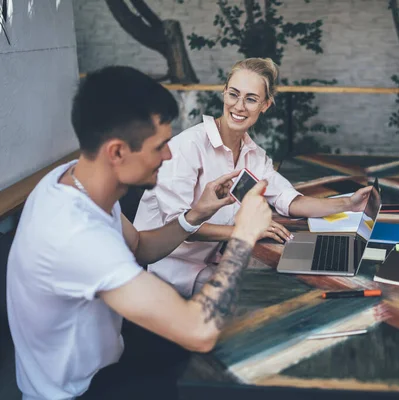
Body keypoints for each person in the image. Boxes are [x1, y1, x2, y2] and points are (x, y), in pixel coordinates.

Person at [6, 66, 272, 400]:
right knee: (235, 366)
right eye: (159, 146)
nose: (170, 154)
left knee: (242, 338)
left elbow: (142, 248)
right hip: (79, 391)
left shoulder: (76, 182)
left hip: (110, 357)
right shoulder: (75, 234)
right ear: (117, 152)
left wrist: (197, 213)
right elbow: (198, 331)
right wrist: (243, 235)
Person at [134, 57, 372, 297]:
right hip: (165, 273)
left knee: (305, 281)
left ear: (265, 105)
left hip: (213, 262)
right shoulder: (187, 147)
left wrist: (348, 203)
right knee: (274, 297)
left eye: (251, 99)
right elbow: (178, 226)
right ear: (224, 93)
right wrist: (247, 231)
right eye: (233, 94)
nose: (239, 106)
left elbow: (288, 199)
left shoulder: (254, 155)